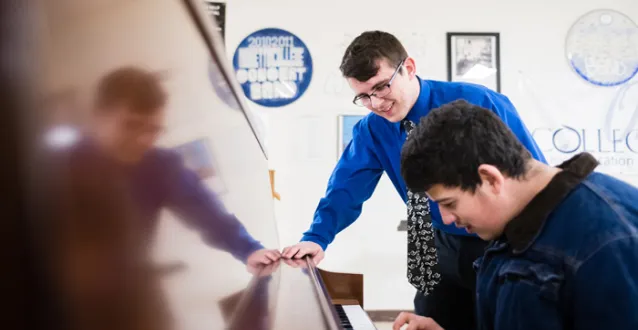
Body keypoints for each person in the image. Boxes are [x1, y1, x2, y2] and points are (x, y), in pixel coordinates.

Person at [282, 30, 546, 330]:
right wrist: (316, 237)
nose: (377, 103)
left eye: (381, 87)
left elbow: (532, 174)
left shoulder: (479, 102)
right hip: (433, 243)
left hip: (500, 242)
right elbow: (345, 188)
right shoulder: (372, 130)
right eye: (364, 96)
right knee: (427, 322)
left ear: (408, 68)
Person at [394, 99, 638, 330]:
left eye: (450, 203)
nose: (446, 219)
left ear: (490, 179)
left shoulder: (610, 241)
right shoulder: (511, 225)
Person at [65, 66, 280, 273]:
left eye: (153, 130)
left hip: (128, 292)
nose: (143, 140)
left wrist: (250, 250)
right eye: (131, 125)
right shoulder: (57, 172)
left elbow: (209, 215)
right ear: (98, 116)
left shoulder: (158, 166)